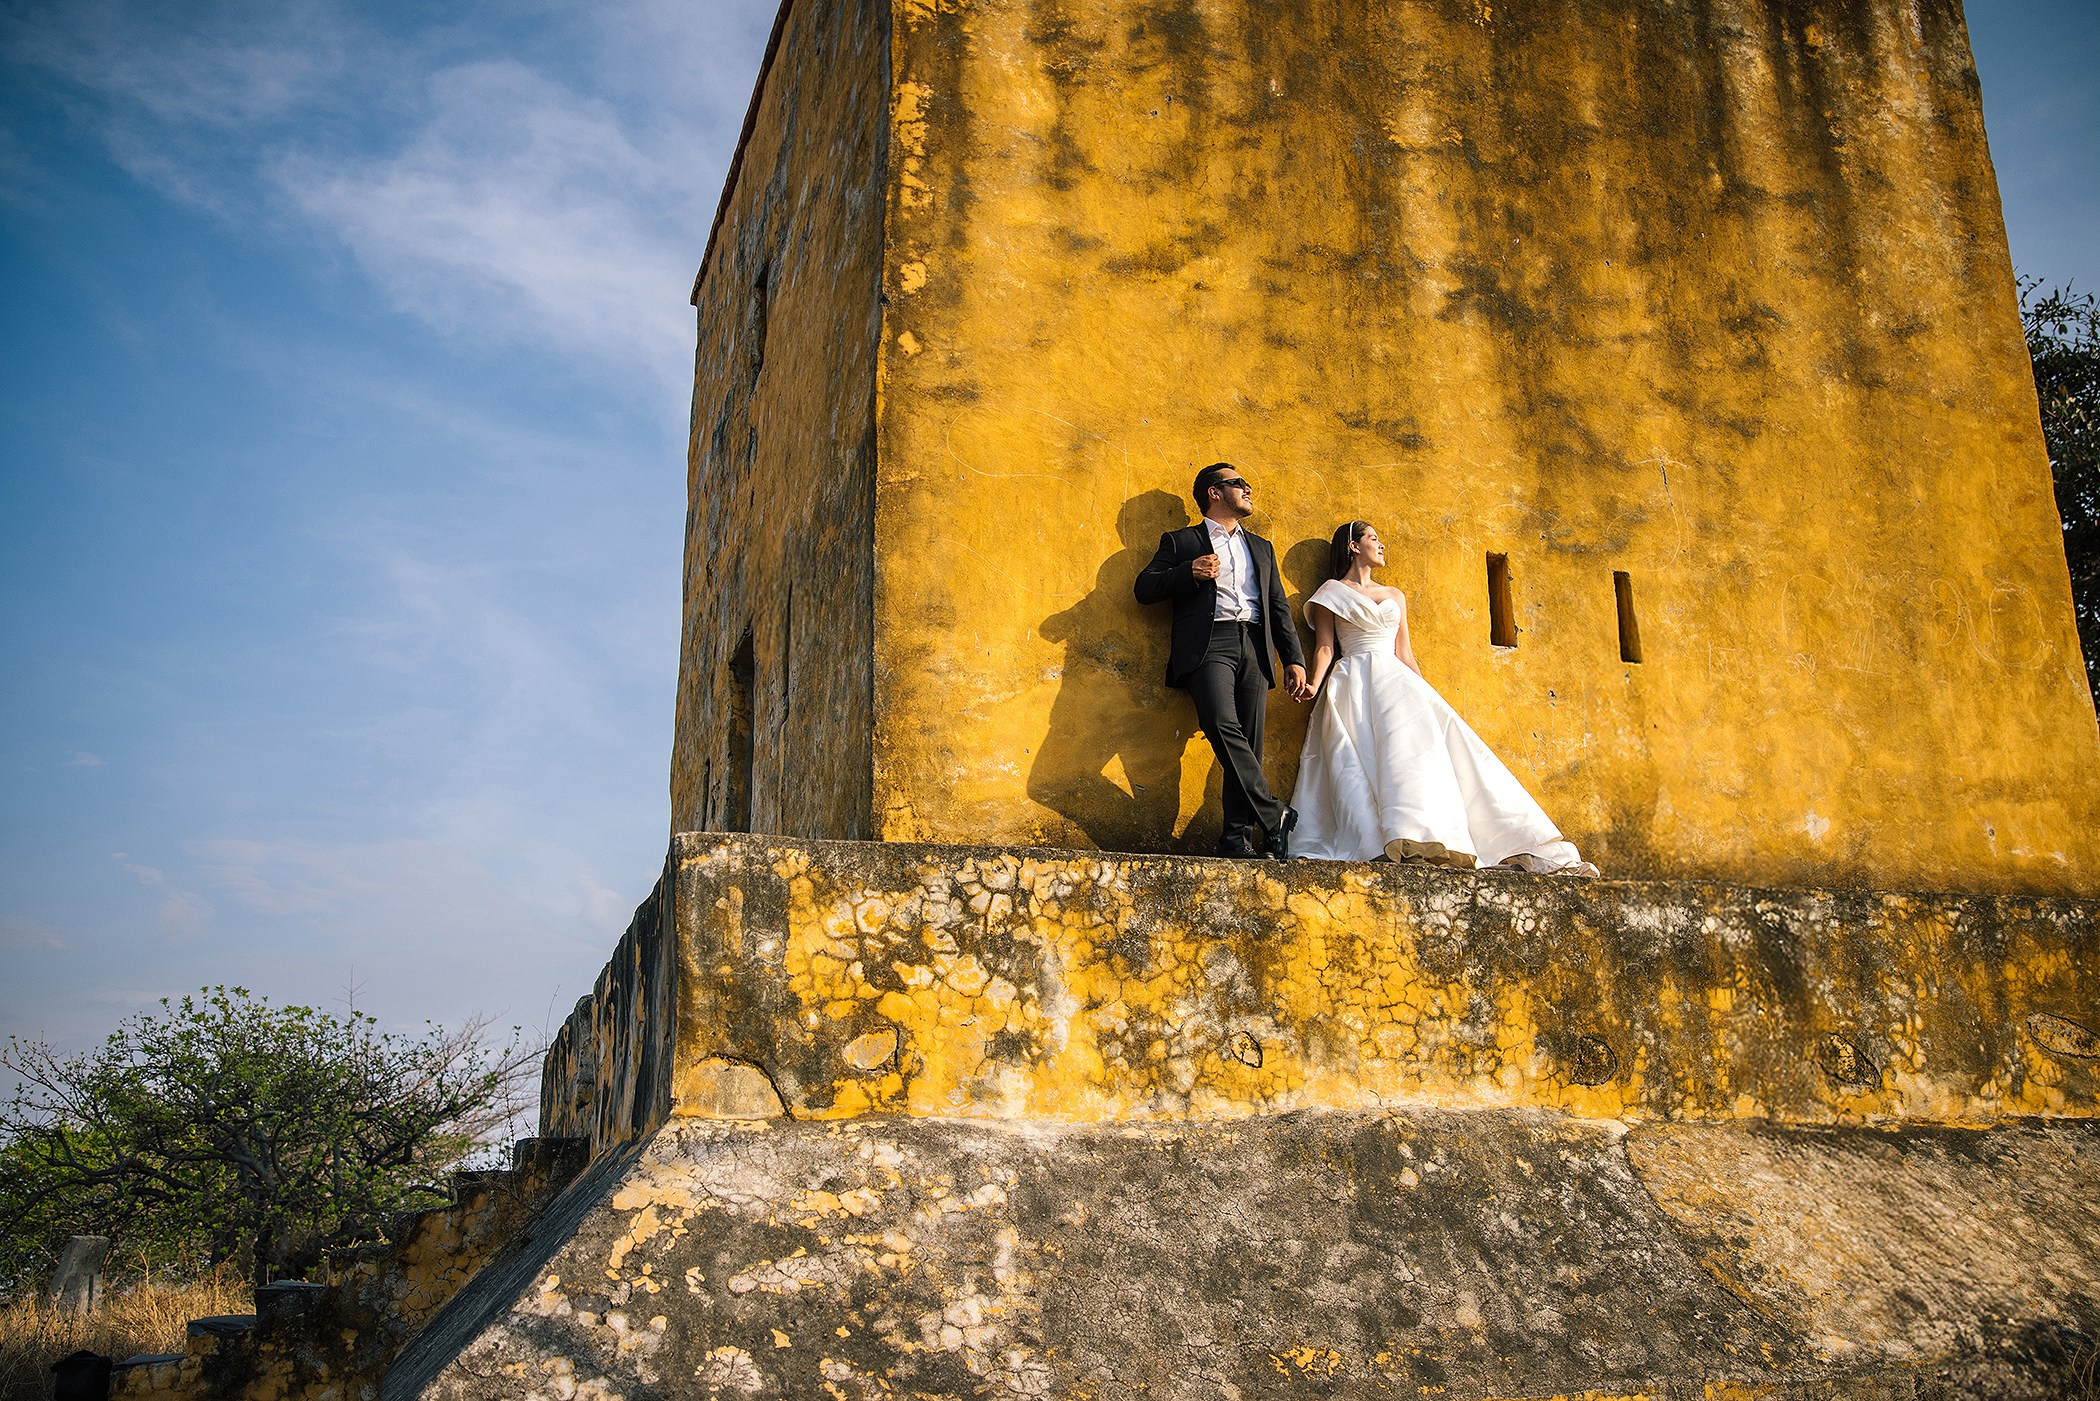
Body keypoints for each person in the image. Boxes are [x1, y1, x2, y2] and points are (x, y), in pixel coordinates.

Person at [1291, 521, 1598, 875]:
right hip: (1353, 682)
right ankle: (1380, 837)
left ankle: (1426, 834)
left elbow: (1405, 652)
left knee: (1410, 757)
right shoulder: (1332, 592)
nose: (1382, 545)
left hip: (1396, 681)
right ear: (1353, 546)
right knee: (1359, 759)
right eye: (1374, 538)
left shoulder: (1395, 595)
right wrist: (1314, 684)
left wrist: (1423, 692)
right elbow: (1326, 647)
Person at [1135, 463, 1312, 859]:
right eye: (1238, 484)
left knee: (1248, 743)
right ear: (1215, 493)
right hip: (1210, 643)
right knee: (1219, 723)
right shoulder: (1182, 542)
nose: (1248, 489)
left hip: (1254, 643)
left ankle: (1238, 839)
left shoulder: (1262, 547)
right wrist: (1188, 572)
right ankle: (1273, 813)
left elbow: (1278, 607)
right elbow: (1143, 588)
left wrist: (1293, 660)